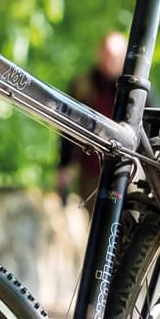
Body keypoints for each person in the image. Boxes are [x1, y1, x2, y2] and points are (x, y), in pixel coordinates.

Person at [57, 32, 127, 198]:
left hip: (127, 173)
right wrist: (64, 167)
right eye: (107, 54)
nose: (110, 61)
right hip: (91, 173)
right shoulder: (82, 85)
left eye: (115, 56)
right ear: (99, 53)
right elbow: (68, 128)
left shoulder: (135, 92)